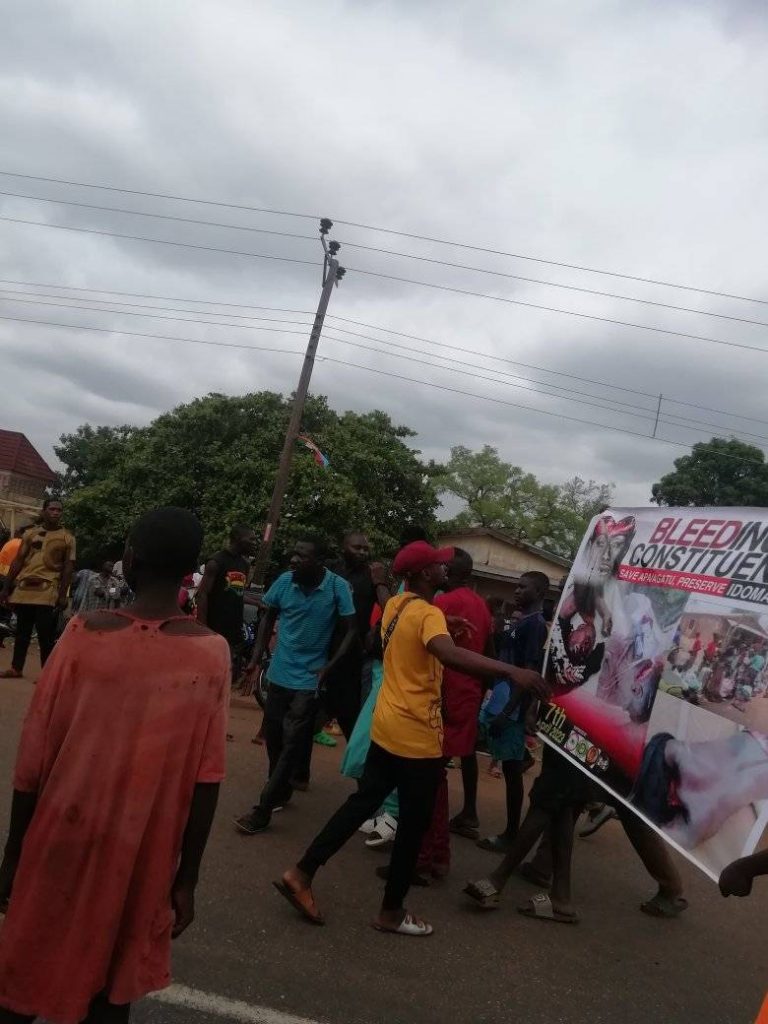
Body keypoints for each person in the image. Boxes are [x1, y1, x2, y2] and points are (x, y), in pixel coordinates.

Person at [0, 507, 230, 1024]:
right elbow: (207, 778)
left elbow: (33, 757)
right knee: (111, 985)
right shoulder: (211, 654)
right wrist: (186, 879)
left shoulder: (82, 633)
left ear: (129, 560)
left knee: (21, 969)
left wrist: (14, 850)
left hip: (60, 832)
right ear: (190, 573)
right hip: (143, 850)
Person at [273, 540, 550, 937]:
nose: (445, 571)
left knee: (361, 803)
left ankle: (301, 872)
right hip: (415, 735)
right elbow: (448, 655)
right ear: (424, 574)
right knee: (413, 824)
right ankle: (391, 911)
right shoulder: (426, 613)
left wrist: (444, 629)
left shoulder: (398, 606)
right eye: (439, 567)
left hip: (388, 725)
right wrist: (511, 672)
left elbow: (415, 641)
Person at [234, 536, 357, 835]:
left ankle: (263, 808)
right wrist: (256, 656)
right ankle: (282, 788)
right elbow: (267, 617)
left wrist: (329, 666)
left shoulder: (337, 587)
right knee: (274, 737)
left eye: (301, 556)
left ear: (319, 562)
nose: (293, 560)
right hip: (279, 673)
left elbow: (351, 629)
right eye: (293, 555)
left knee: (291, 741)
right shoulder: (285, 582)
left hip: (309, 678)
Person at [418, 548, 493, 875]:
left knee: (428, 776)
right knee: (435, 775)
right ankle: (436, 852)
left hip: (445, 693)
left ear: (448, 571)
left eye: (440, 566)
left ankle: (428, 855)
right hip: (468, 693)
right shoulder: (481, 605)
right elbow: (489, 651)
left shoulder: (443, 604)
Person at [477, 571, 550, 853]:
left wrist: (508, 712)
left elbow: (529, 672)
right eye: (517, 587)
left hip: (512, 705)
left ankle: (510, 834)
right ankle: (523, 757)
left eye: (523, 588)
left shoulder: (535, 626)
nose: (517, 591)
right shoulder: (521, 621)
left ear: (540, 593)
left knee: (510, 771)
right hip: (500, 697)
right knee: (506, 761)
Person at [0, 500, 75, 679]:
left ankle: (46, 675)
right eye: (52, 509)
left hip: (48, 589)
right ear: (43, 511)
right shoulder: (30, 534)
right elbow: (18, 561)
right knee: (22, 632)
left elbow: (68, 567)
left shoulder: (67, 538)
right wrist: (5, 587)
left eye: (59, 510)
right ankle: (16, 668)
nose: (56, 512)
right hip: (24, 588)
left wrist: (63, 594)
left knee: (45, 634)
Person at [195, 524, 258, 672]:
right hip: (214, 627)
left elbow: (237, 593)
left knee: (227, 671)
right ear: (237, 539)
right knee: (209, 670)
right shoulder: (216, 562)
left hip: (234, 630)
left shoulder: (244, 565)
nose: (255, 543)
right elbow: (202, 594)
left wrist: (258, 603)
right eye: (251, 539)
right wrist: (203, 627)